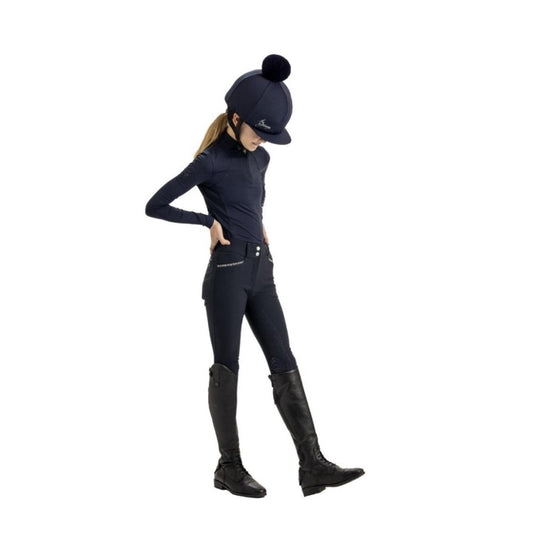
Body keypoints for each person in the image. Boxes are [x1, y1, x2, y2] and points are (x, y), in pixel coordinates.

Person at [145, 54, 365, 497]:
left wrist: (258, 226)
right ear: (236, 117)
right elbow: (155, 205)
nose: (262, 141)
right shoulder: (209, 160)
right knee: (227, 366)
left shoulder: (261, 160)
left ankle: (312, 464)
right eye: (258, 131)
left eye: (268, 135)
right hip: (227, 273)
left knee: (284, 360)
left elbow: (252, 202)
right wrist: (207, 222)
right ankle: (229, 467)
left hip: (262, 270)